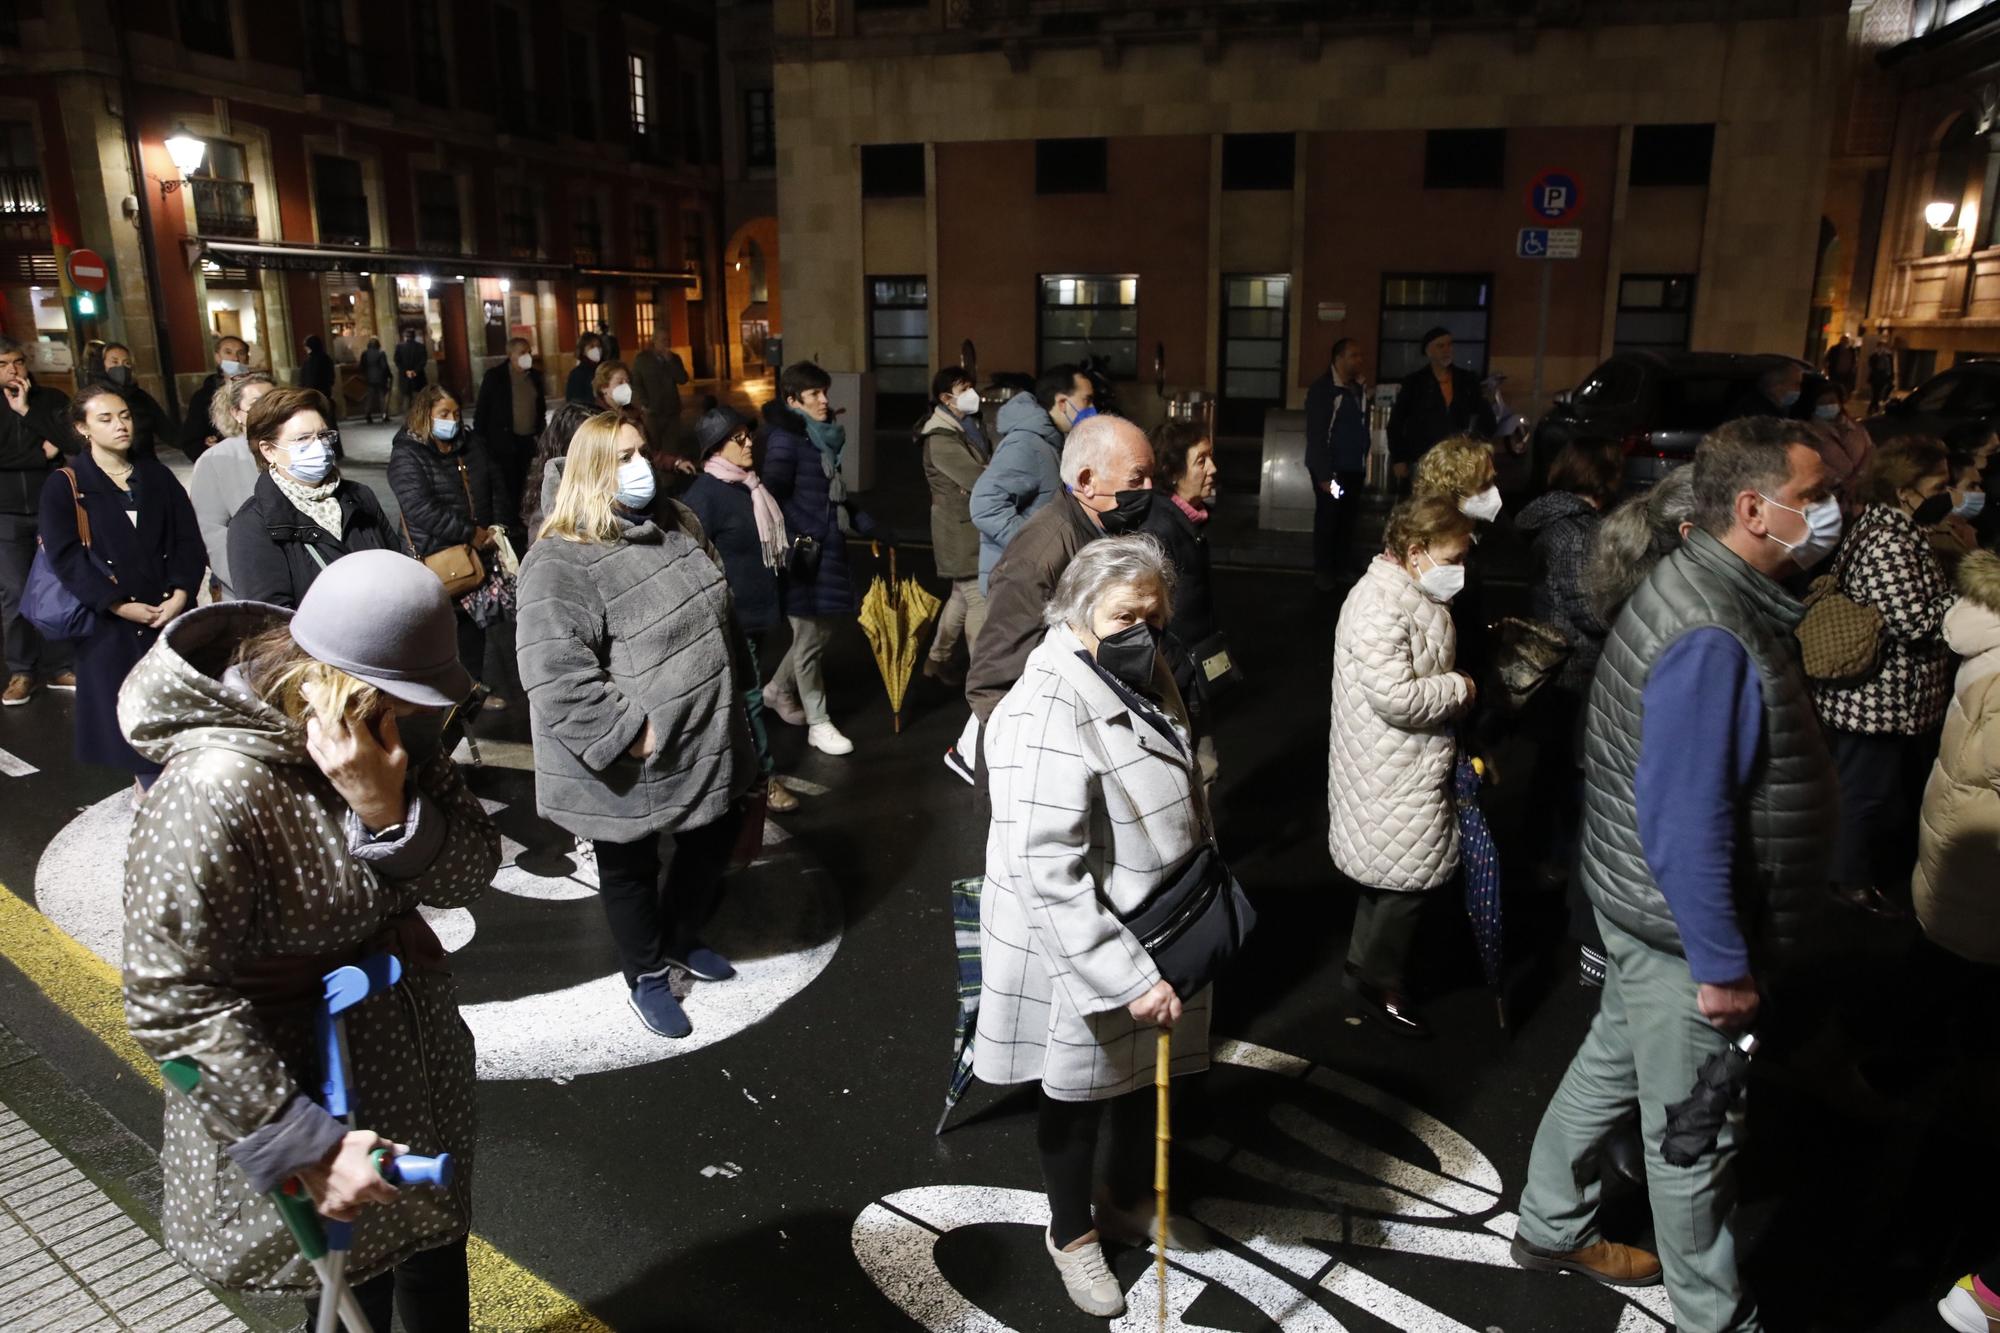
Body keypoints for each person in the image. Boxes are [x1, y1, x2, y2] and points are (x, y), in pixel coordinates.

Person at [1512, 417, 1841, 1323]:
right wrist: (1723, 965)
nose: (1828, 514)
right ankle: (1713, 1316)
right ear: (1752, 508)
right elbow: (1686, 819)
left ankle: (1550, 1219)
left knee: (1612, 1061)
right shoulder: (1711, 629)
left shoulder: (1691, 584)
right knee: (1696, 1133)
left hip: (1641, 910)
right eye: (1812, 499)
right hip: (1681, 932)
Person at [119, 549, 499, 1333]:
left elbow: (469, 872)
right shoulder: (212, 786)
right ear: (346, 684)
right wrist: (308, 1146)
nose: (430, 720)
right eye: (409, 699)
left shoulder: (391, 739)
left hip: (411, 1068)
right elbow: (170, 1000)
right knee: (346, 1297)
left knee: (435, 1260)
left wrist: (391, 810)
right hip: (308, 1089)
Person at [973, 534, 1212, 1320]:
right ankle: (1071, 1233)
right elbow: (1050, 871)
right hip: (1086, 943)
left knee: (1138, 1078)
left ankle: (1121, 1197)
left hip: (1152, 919)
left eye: (1154, 613)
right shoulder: (1045, 707)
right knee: (1076, 1094)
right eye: (1124, 614)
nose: (1144, 628)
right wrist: (1130, 976)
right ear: (1077, 613)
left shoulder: (1137, 667)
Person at [517, 412, 755, 1040]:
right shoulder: (559, 558)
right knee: (630, 866)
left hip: (707, 732)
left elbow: (718, 610)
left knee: (711, 838)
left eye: (642, 451)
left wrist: (741, 706)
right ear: (589, 469)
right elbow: (554, 671)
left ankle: (679, 937)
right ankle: (646, 975)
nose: (641, 466)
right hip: (636, 752)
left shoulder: (678, 521)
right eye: (622, 457)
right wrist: (629, 735)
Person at [1325, 495, 1478, 1039]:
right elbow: (1396, 696)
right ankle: (1377, 981)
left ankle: (1365, 967)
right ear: (1416, 553)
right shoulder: (1379, 604)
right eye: (1453, 557)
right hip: (1390, 768)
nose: (1461, 570)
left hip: (1397, 764)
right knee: (1404, 883)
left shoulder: (1406, 593)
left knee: (1389, 874)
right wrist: (1459, 687)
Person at [1811, 437, 1956, 918]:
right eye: (1939, 483)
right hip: (1878, 696)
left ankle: (1850, 870)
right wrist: (1969, 600)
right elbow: (1912, 622)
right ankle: (1846, 879)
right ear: (1905, 489)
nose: (1950, 492)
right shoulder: (1891, 542)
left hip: (1884, 694)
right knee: (1864, 792)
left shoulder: (1886, 525)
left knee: (1867, 788)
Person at [37, 386, 204, 788]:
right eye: (106, 419)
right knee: (131, 713)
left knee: (178, 710)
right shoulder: (65, 484)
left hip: (168, 612)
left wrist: (181, 591)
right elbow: (66, 557)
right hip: (111, 624)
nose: (120, 425)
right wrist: (115, 603)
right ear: (83, 428)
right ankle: (149, 789)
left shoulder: (156, 475)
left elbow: (187, 538)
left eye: (125, 415)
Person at [965, 414, 1155, 726]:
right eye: (1136, 480)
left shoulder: (1103, 529)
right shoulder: (1038, 558)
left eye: (1151, 477)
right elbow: (991, 684)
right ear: (1086, 481)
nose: (1149, 489)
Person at [1516, 440, 1622, 889]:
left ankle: (1541, 852)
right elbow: (1590, 609)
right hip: (1576, 666)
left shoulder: (1552, 522)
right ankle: (1556, 858)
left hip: (1555, 660)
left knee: (1552, 765)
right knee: (1567, 771)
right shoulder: (1578, 532)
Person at [681, 406, 797, 814]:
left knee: (740, 700)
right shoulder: (704, 497)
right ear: (716, 448)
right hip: (731, 619)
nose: (750, 443)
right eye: (739, 438)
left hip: (758, 613)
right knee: (748, 699)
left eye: (749, 435)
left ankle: (729, 773)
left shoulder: (750, 486)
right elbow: (690, 560)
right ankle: (763, 781)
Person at [761, 361, 873, 757]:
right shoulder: (786, 441)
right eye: (815, 394)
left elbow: (828, 491)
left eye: (825, 392)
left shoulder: (819, 438)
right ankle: (819, 723)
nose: (825, 401)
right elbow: (769, 493)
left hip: (827, 547)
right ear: (793, 400)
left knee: (823, 630)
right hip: (805, 553)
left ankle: (776, 690)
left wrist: (857, 517)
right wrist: (802, 530)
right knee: (809, 637)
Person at [386, 386, 514, 703]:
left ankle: (473, 688)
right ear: (424, 415)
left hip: (476, 551)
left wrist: (496, 526)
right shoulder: (408, 454)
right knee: (444, 628)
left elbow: (494, 483)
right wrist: (468, 532)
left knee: (475, 626)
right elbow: (419, 508)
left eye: (456, 413)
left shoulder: (469, 444)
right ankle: (441, 693)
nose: (452, 420)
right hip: (437, 554)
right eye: (443, 414)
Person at [227, 388, 401, 609]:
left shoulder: (360, 497)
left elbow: (398, 568)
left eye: (323, 435)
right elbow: (269, 619)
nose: (319, 446)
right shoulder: (252, 525)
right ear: (268, 450)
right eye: (303, 439)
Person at [1140, 418, 1222, 786]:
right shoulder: (1159, 527)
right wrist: (1180, 672)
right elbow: (1146, 614)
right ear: (1173, 472)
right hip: (1176, 678)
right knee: (1191, 769)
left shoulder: (1187, 520)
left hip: (1190, 674)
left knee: (1203, 766)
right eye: (1201, 460)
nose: (1212, 469)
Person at [969, 364, 1093, 594]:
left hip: (1031, 580)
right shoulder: (1026, 444)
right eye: (1087, 400)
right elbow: (985, 505)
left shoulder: (1051, 442)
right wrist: (1036, 546)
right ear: (1063, 403)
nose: (1092, 408)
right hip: (1015, 584)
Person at [0, 336, 74, 704]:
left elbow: (72, 442)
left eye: (16, 361)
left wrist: (28, 411)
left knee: (55, 588)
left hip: (51, 509)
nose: (13, 370)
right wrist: (40, 454)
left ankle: (60, 665)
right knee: (14, 593)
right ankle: (21, 671)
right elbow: (44, 449)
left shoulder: (50, 401)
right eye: (3, 364)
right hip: (6, 514)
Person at [919, 366, 991, 686]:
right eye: (963, 389)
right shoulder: (940, 437)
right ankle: (981, 678)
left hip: (963, 524)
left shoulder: (961, 428)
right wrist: (989, 470)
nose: (971, 395)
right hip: (957, 529)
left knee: (961, 597)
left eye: (970, 387)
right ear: (946, 398)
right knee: (977, 598)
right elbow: (977, 477)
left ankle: (937, 659)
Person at [189, 372, 275, 598]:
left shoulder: (298, 448)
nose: (269, 410)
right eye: (257, 404)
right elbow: (211, 533)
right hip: (250, 588)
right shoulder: (215, 460)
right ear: (236, 413)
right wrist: (251, 584)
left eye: (274, 400)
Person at [1303, 337, 1371, 590]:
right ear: (1339, 358)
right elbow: (1318, 434)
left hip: (1353, 468)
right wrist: (1323, 475)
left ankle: (1341, 566)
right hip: (1333, 471)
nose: (1359, 360)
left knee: (1347, 518)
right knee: (1330, 516)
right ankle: (1324, 570)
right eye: (1354, 355)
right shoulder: (1325, 390)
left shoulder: (1356, 389)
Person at [1386, 328, 1496, 485]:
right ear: (1428, 351)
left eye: (1449, 345)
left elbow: (1486, 418)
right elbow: (1396, 423)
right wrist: (1399, 458)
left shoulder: (1467, 380)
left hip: (1458, 459)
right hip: (1423, 457)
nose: (1447, 350)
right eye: (1440, 346)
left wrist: (1475, 447)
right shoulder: (1415, 382)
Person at [475, 335, 548, 520]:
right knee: (507, 483)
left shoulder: (535, 377)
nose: (527, 356)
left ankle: (523, 515)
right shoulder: (495, 377)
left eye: (529, 352)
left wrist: (540, 432)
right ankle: (509, 519)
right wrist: (480, 441)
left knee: (526, 481)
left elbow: (540, 408)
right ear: (510, 355)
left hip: (528, 439)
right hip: (503, 440)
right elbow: (482, 410)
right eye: (522, 352)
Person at [90, 343, 174, 462]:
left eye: (126, 363)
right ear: (101, 365)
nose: (121, 367)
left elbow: (166, 430)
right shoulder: (93, 399)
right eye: (114, 362)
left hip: (146, 464)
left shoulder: (140, 397)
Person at [1801, 379, 1874, 517]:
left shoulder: (1855, 426)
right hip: (1830, 502)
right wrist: (1843, 483)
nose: (1829, 405)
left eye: (1832, 400)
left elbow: (1870, 450)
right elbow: (1813, 464)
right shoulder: (1808, 432)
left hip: (1860, 496)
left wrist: (1858, 478)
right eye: (1822, 402)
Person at [175, 333, 249, 461]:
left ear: (247, 358)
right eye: (228, 352)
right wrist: (209, 450)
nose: (235, 358)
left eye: (240, 353)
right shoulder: (203, 397)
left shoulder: (259, 390)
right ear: (218, 357)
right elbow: (191, 440)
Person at [631, 328, 691, 458]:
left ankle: (671, 475)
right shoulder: (642, 359)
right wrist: (643, 404)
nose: (666, 343)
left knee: (672, 448)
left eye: (668, 340)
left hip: (672, 411)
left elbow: (683, 379)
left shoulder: (674, 358)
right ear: (654, 341)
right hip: (652, 412)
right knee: (654, 448)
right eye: (663, 340)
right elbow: (636, 383)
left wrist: (670, 361)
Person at [1726, 360, 1802, 423]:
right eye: (1796, 384)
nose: (1799, 389)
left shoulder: (1778, 409)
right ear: (1776, 386)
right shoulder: (1757, 414)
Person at [392, 327, 429, 411]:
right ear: (414, 336)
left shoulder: (399, 347)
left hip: (405, 377)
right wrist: (415, 371)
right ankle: (420, 416)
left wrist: (406, 371)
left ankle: (407, 418)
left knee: (406, 398)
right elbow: (423, 360)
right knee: (419, 398)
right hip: (418, 376)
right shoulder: (421, 347)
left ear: (405, 336)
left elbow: (397, 361)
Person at [566, 331, 606, 406]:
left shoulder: (606, 369)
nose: (597, 349)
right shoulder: (577, 374)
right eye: (592, 346)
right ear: (583, 351)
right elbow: (574, 402)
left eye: (599, 346)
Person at [358, 336, 390, 423]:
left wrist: (365, 375)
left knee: (370, 397)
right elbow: (384, 367)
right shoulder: (381, 353)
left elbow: (361, 366)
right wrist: (389, 375)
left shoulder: (365, 353)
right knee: (382, 397)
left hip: (369, 378)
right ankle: (384, 414)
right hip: (380, 378)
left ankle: (367, 414)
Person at [299, 334, 336, 403]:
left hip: (312, 394)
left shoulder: (309, 361)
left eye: (306, 346)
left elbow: (308, 379)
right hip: (325, 392)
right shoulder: (326, 358)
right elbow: (331, 377)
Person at [1867, 336, 1896, 415]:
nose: (1882, 349)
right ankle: (1873, 408)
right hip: (1875, 378)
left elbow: (1890, 367)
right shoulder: (1874, 356)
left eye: (1883, 347)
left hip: (1884, 377)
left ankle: (1874, 407)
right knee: (1875, 393)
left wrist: (1891, 376)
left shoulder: (1888, 356)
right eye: (1881, 347)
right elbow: (1872, 366)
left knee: (1879, 393)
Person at [1824, 332, 1858, 398]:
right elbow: (1826, 359)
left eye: (1846, 341)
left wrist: (1853, 370)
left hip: (1846, 375)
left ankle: (1841, 402)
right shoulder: (1834, 349)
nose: (1845, 343)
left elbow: (1854, 362)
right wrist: (1826, 370)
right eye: (1843, 341)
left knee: (1843, 390)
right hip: (1835, 373)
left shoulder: (1852, 351)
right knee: (1835, 389)